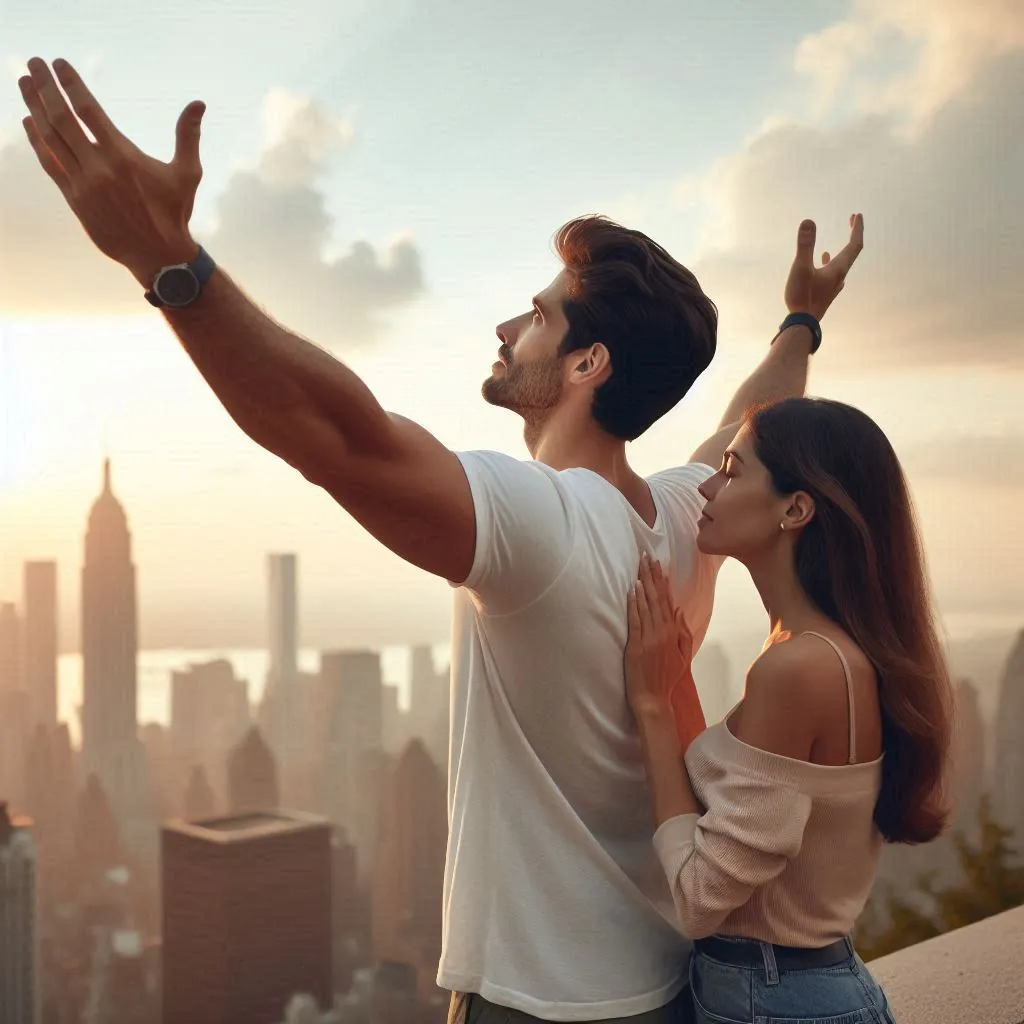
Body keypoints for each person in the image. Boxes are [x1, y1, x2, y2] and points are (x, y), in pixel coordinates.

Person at [17, 58, 864, 1023]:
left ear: (590, 362)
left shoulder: (538, 520)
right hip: (663, 986)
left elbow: (339, 437)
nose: (508, 326)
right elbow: (751, 416)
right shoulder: (682, 518)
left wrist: (168, 265)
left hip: (535, 1005)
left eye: (540, 314)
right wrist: (801, 319)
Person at [624, 397, 954, 1024]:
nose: (708, 489)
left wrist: (651, 702)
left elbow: (700, 898)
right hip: (794, 990)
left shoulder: (799, 667)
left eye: (730, 468)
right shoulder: (824, 652)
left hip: (773, 999)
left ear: (795, 508)